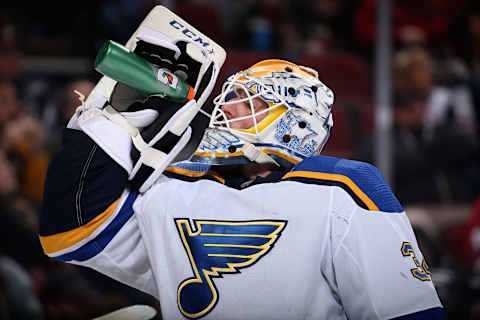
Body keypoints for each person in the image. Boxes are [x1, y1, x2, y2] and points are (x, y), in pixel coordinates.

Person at [39, 27, 445, 319]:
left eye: (249, 101)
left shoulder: (343, 186)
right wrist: (113, 121)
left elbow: (406, 312)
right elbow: (71, 232)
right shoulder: (175, 186)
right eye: (231, 97)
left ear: (295, 124)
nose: (226, 108)